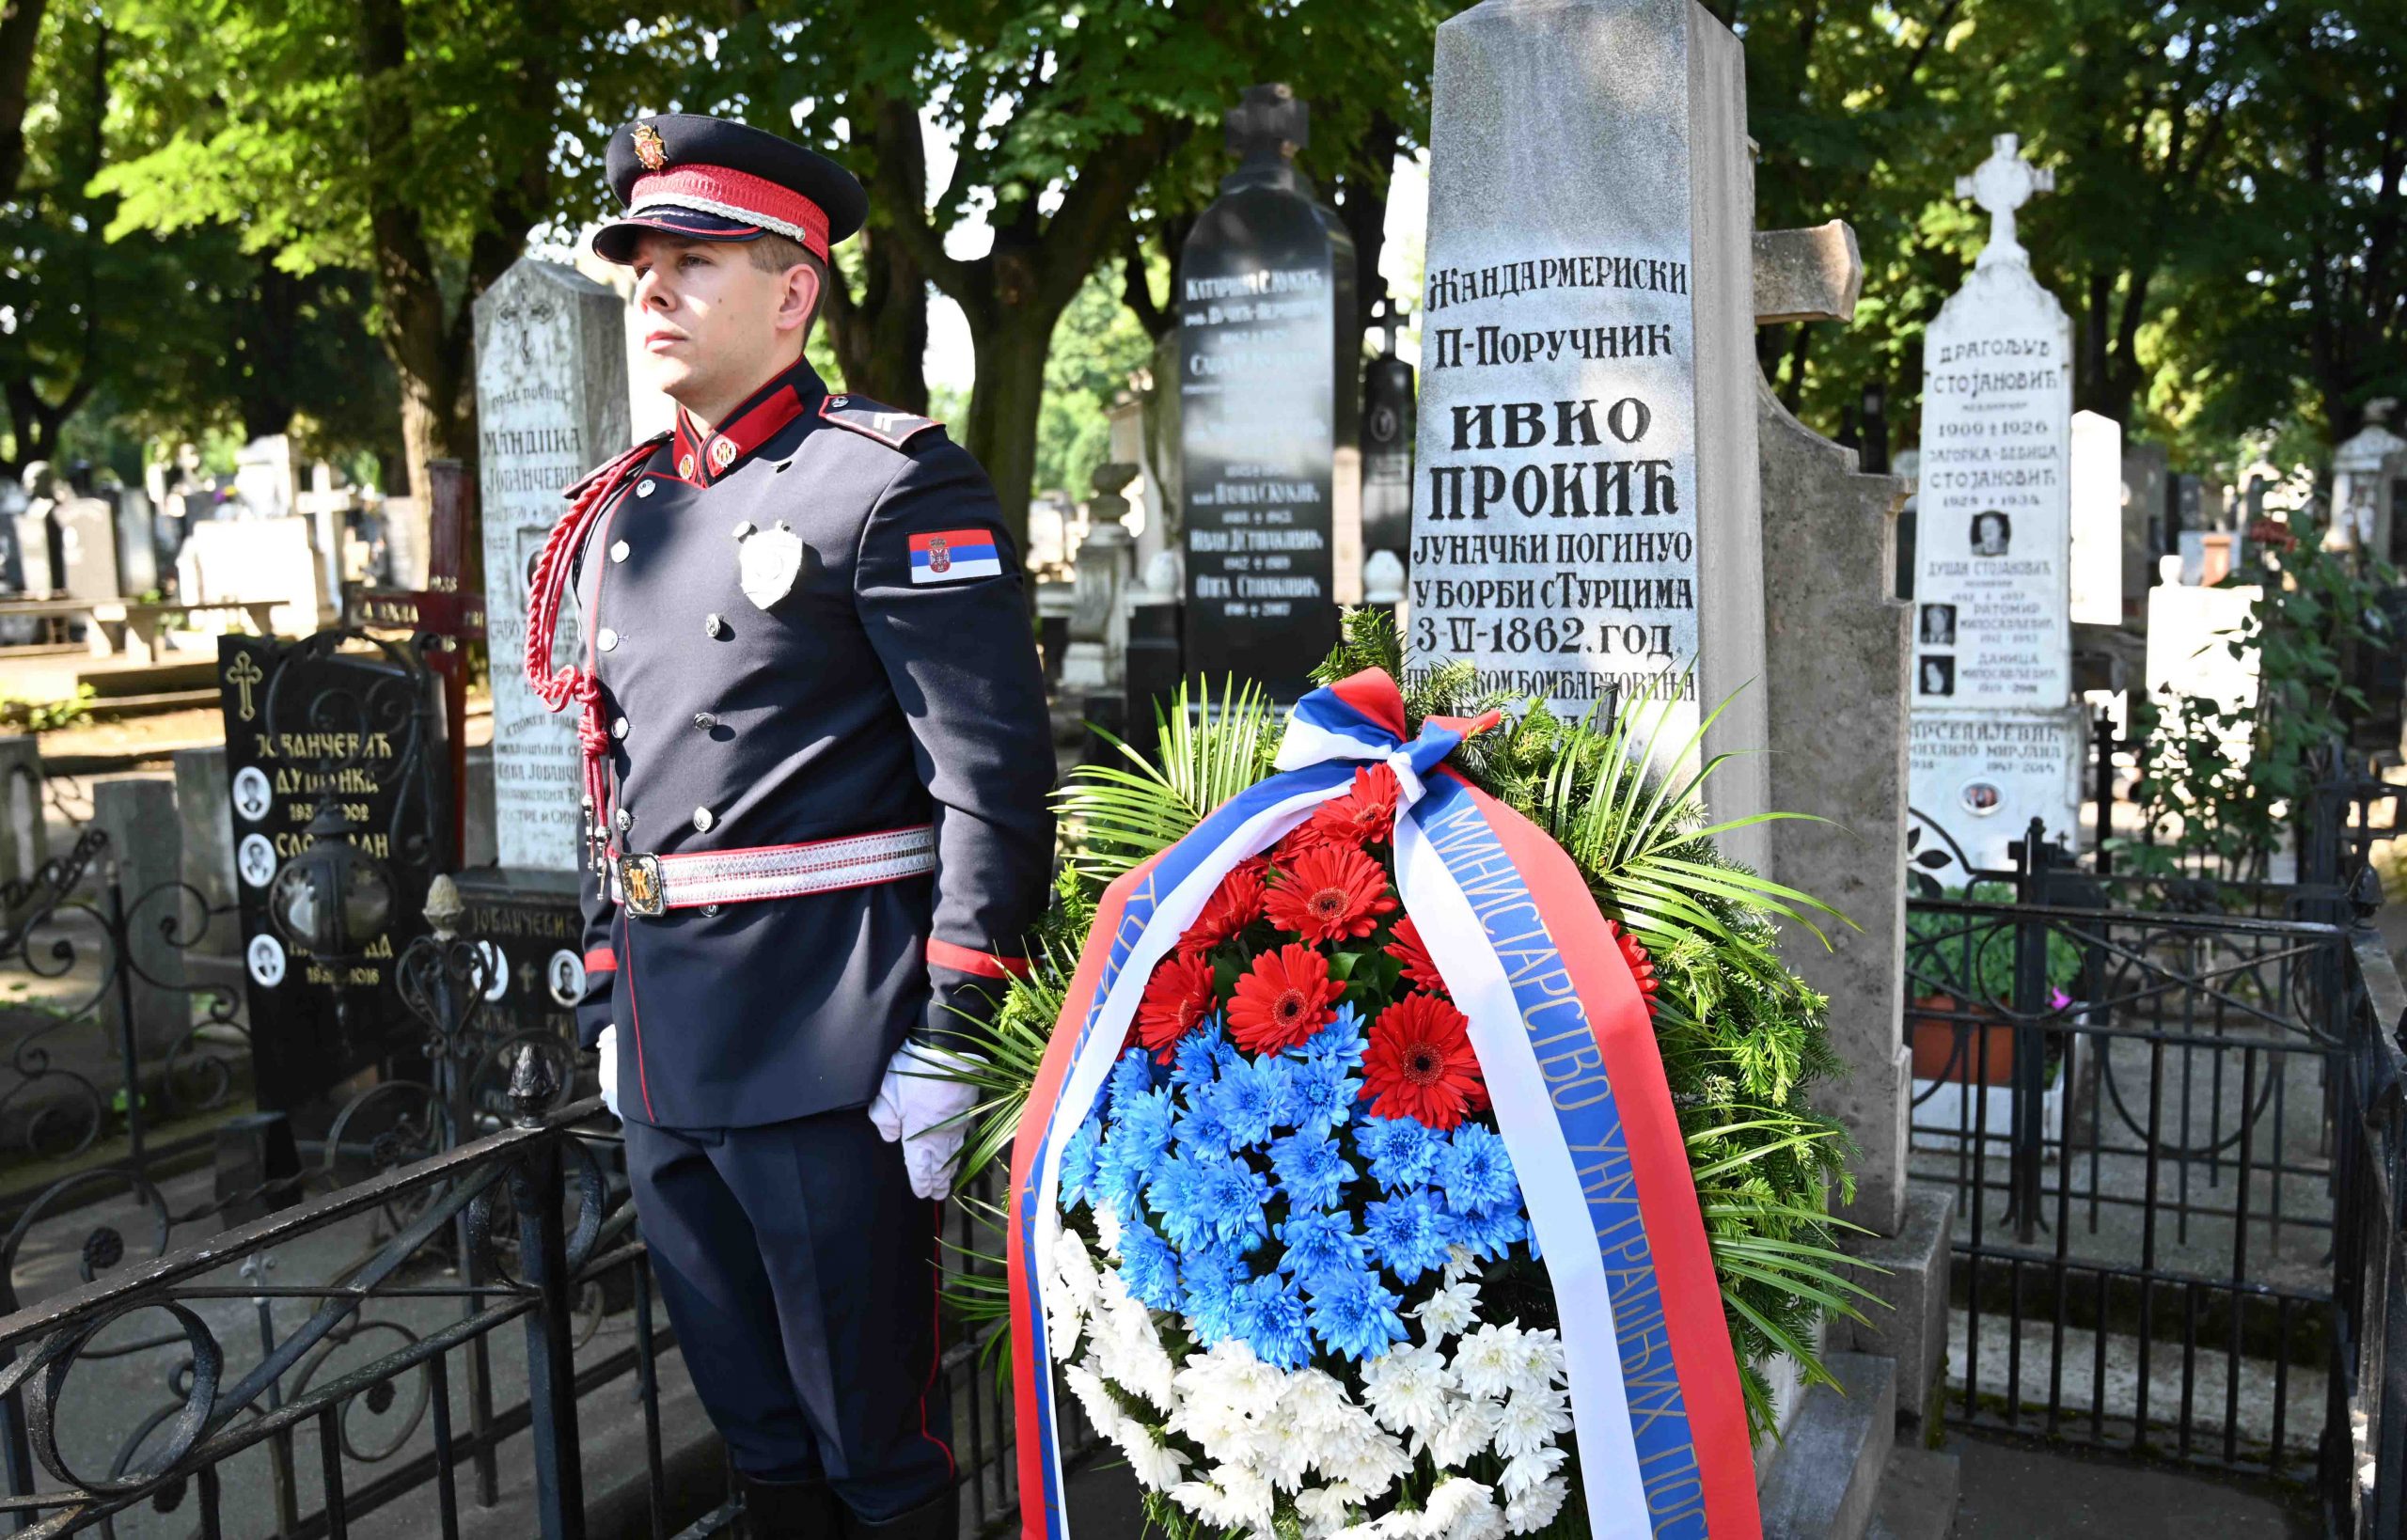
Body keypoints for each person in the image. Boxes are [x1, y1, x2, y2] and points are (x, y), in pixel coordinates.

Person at [524, 114, 1055, 1540]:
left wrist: (956, 1020)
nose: (653, 288)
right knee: (761, 1446)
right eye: (642, 262)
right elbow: (606, 766)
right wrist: (602, 984)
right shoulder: (628, 513)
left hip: (835, 1043)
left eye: (694, 259)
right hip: (671, 1046)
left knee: (870, 1446)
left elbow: (988, 777)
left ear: (795, 289)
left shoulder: (883, 483)